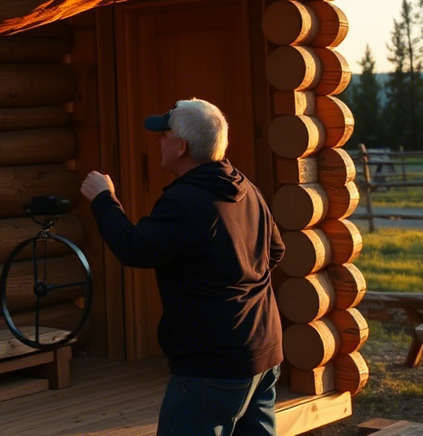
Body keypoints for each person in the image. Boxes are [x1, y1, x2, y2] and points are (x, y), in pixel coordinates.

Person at [81, 98, 285, 436]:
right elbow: (274, 250)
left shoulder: (187, 200)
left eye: (163, 134)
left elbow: (135, 249)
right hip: (263, 352)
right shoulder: (245, 187)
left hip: (212, 364)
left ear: (181, 146)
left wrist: (104, 199)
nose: (158, 140)